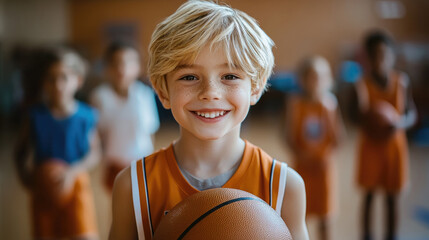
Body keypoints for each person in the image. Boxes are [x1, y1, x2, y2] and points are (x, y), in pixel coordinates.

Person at [109, 1, 309, 240]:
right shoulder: (132, 186)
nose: (210, 92)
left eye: (230, 76)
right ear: (163, 92)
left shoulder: (285, 186)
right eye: (189, 76)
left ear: (255, 89)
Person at [14, 47, 100, 240]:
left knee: (85, 235)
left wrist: (72, 171)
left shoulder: (87, 116)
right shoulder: (34, 116)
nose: (58, 84)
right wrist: (28, 179)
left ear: (77, 80)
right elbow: (20, 152)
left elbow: (94, 154)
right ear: (44, 83)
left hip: (76, 183)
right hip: (45, 187)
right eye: (51, 79)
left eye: (64, 77)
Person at [354, 30, 417, 240]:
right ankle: (367, 236)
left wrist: (398, 122)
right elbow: (355, 117)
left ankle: (392, 236)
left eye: (384, 53)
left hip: (394, 147)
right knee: (369, 196)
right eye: (375, 54)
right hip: (371, 146)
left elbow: (412, 113)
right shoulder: (361, 84)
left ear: (391, 55)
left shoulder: (402, 82)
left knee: (392, 198)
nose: (380, 58)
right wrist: (371, 120)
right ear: (369, 59)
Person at [285, 56, 343, 240]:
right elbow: (288, 136)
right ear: (302, 79)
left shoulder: (330, 104)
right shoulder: (295, 104)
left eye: (321, 77)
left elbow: (339, 138)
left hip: (323, 169)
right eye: (312, 76)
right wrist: (301, 155)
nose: (316, 82)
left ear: (328, 80)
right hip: (302, 168)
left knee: (325, 218)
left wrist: (325, 156)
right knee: (299, 216)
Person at [90, 41, 160, 192]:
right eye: (115, 63)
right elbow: (96, 134)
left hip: (141, 162)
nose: (121, 69)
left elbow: (149, 131)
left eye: (128, 63)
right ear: (107, 68)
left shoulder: (144, 95)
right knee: (120, 209)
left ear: (138, 67)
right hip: (114, 164)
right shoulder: (99, 98)